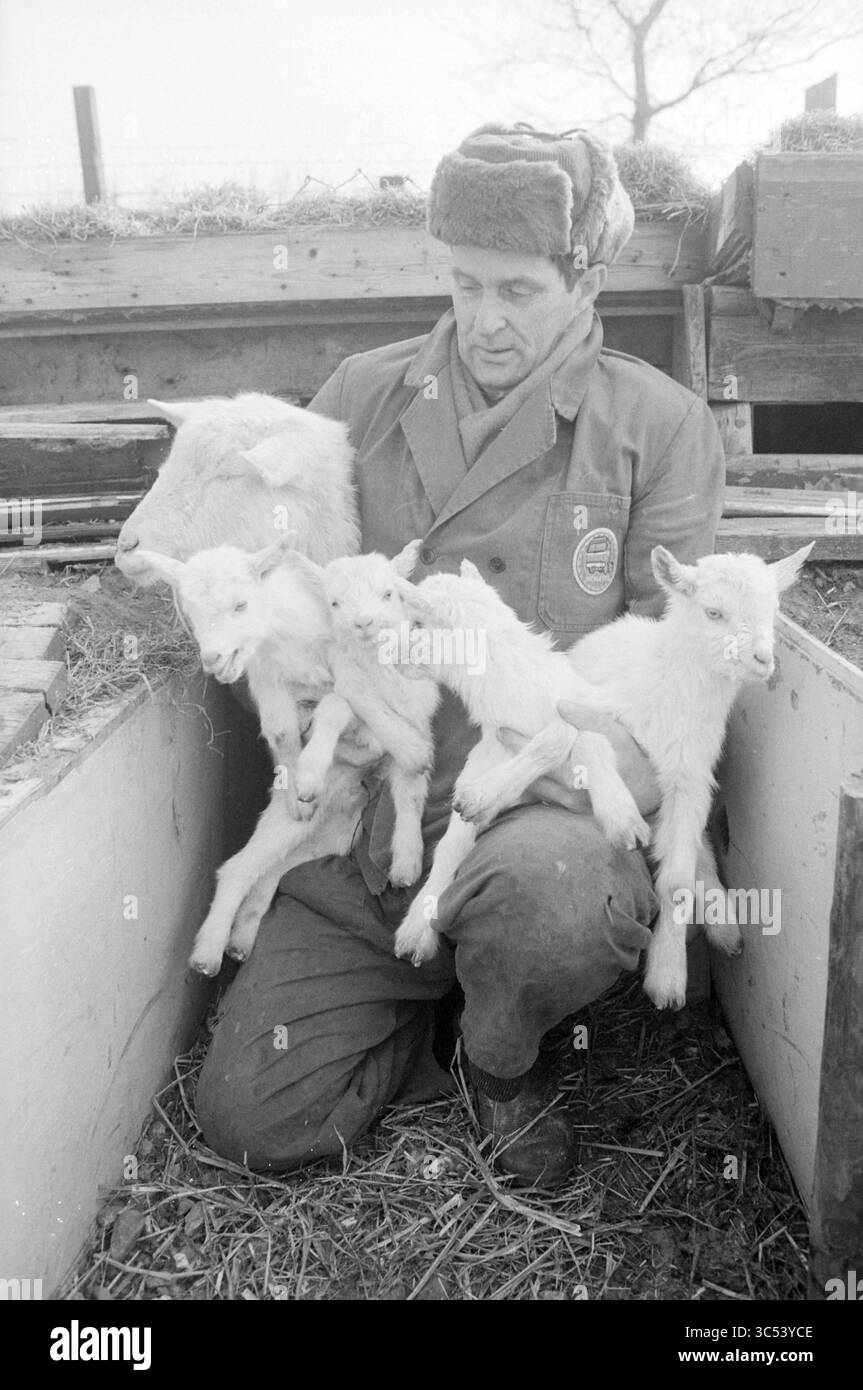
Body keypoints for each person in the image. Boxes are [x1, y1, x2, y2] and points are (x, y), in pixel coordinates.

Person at [196, 123, 724, 1186]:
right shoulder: (362, 393)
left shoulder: (653, 427)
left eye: (517, 291)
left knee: (556, 897)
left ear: (582, 278)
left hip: (534, 818)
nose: (483, 320)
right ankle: (420, 1010)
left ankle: (498, 1053)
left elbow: (669, 670)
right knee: (251, 1115)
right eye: (464, 283)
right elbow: (280, 578)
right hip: (369, 822)